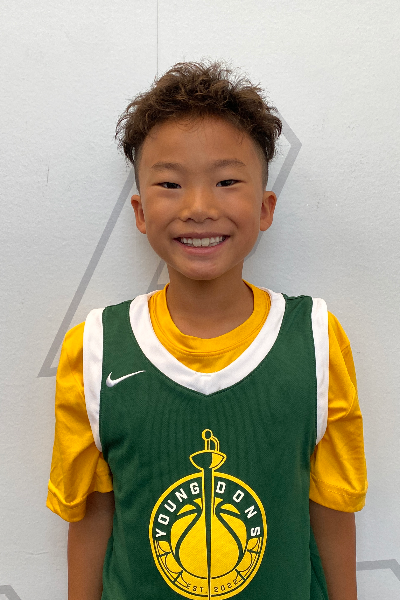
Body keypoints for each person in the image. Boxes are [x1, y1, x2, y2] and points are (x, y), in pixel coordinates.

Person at [47, 61, 367, 600]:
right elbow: (92, 515)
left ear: (265, 207)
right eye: (171, 184)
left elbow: (333, 506)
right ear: (140, 212)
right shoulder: (96, 348)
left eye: (226, 182)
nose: (199, 208)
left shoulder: (315, 339)